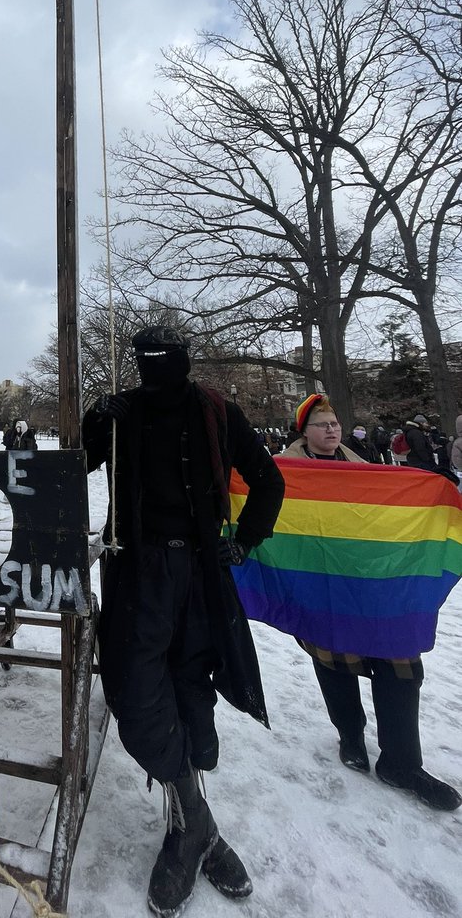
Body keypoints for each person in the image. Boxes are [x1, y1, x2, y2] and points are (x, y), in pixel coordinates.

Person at [83, 327, 285, 917]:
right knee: (137, 695)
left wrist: (245, 541)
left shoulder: (218, 410)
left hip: (198, 574)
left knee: (193, 693)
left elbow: (268, 479)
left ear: (184, 363)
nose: (155, 371)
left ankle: (186, 825)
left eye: (165, 361)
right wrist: (97, 417)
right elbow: (78, 461)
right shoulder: (126, 412)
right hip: (137, 573)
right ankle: (199, 826)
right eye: (146, 362)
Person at [278, 393, 460, 812]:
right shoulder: (285, 471)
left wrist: (433, 489)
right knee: (332, 660)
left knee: (400, 664)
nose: (333, 430)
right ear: (303, 431)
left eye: (336, 424)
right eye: (323, 425)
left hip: (371, 586)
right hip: (320, 586)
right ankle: (351, 737)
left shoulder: (362, 465)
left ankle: (402, 763)